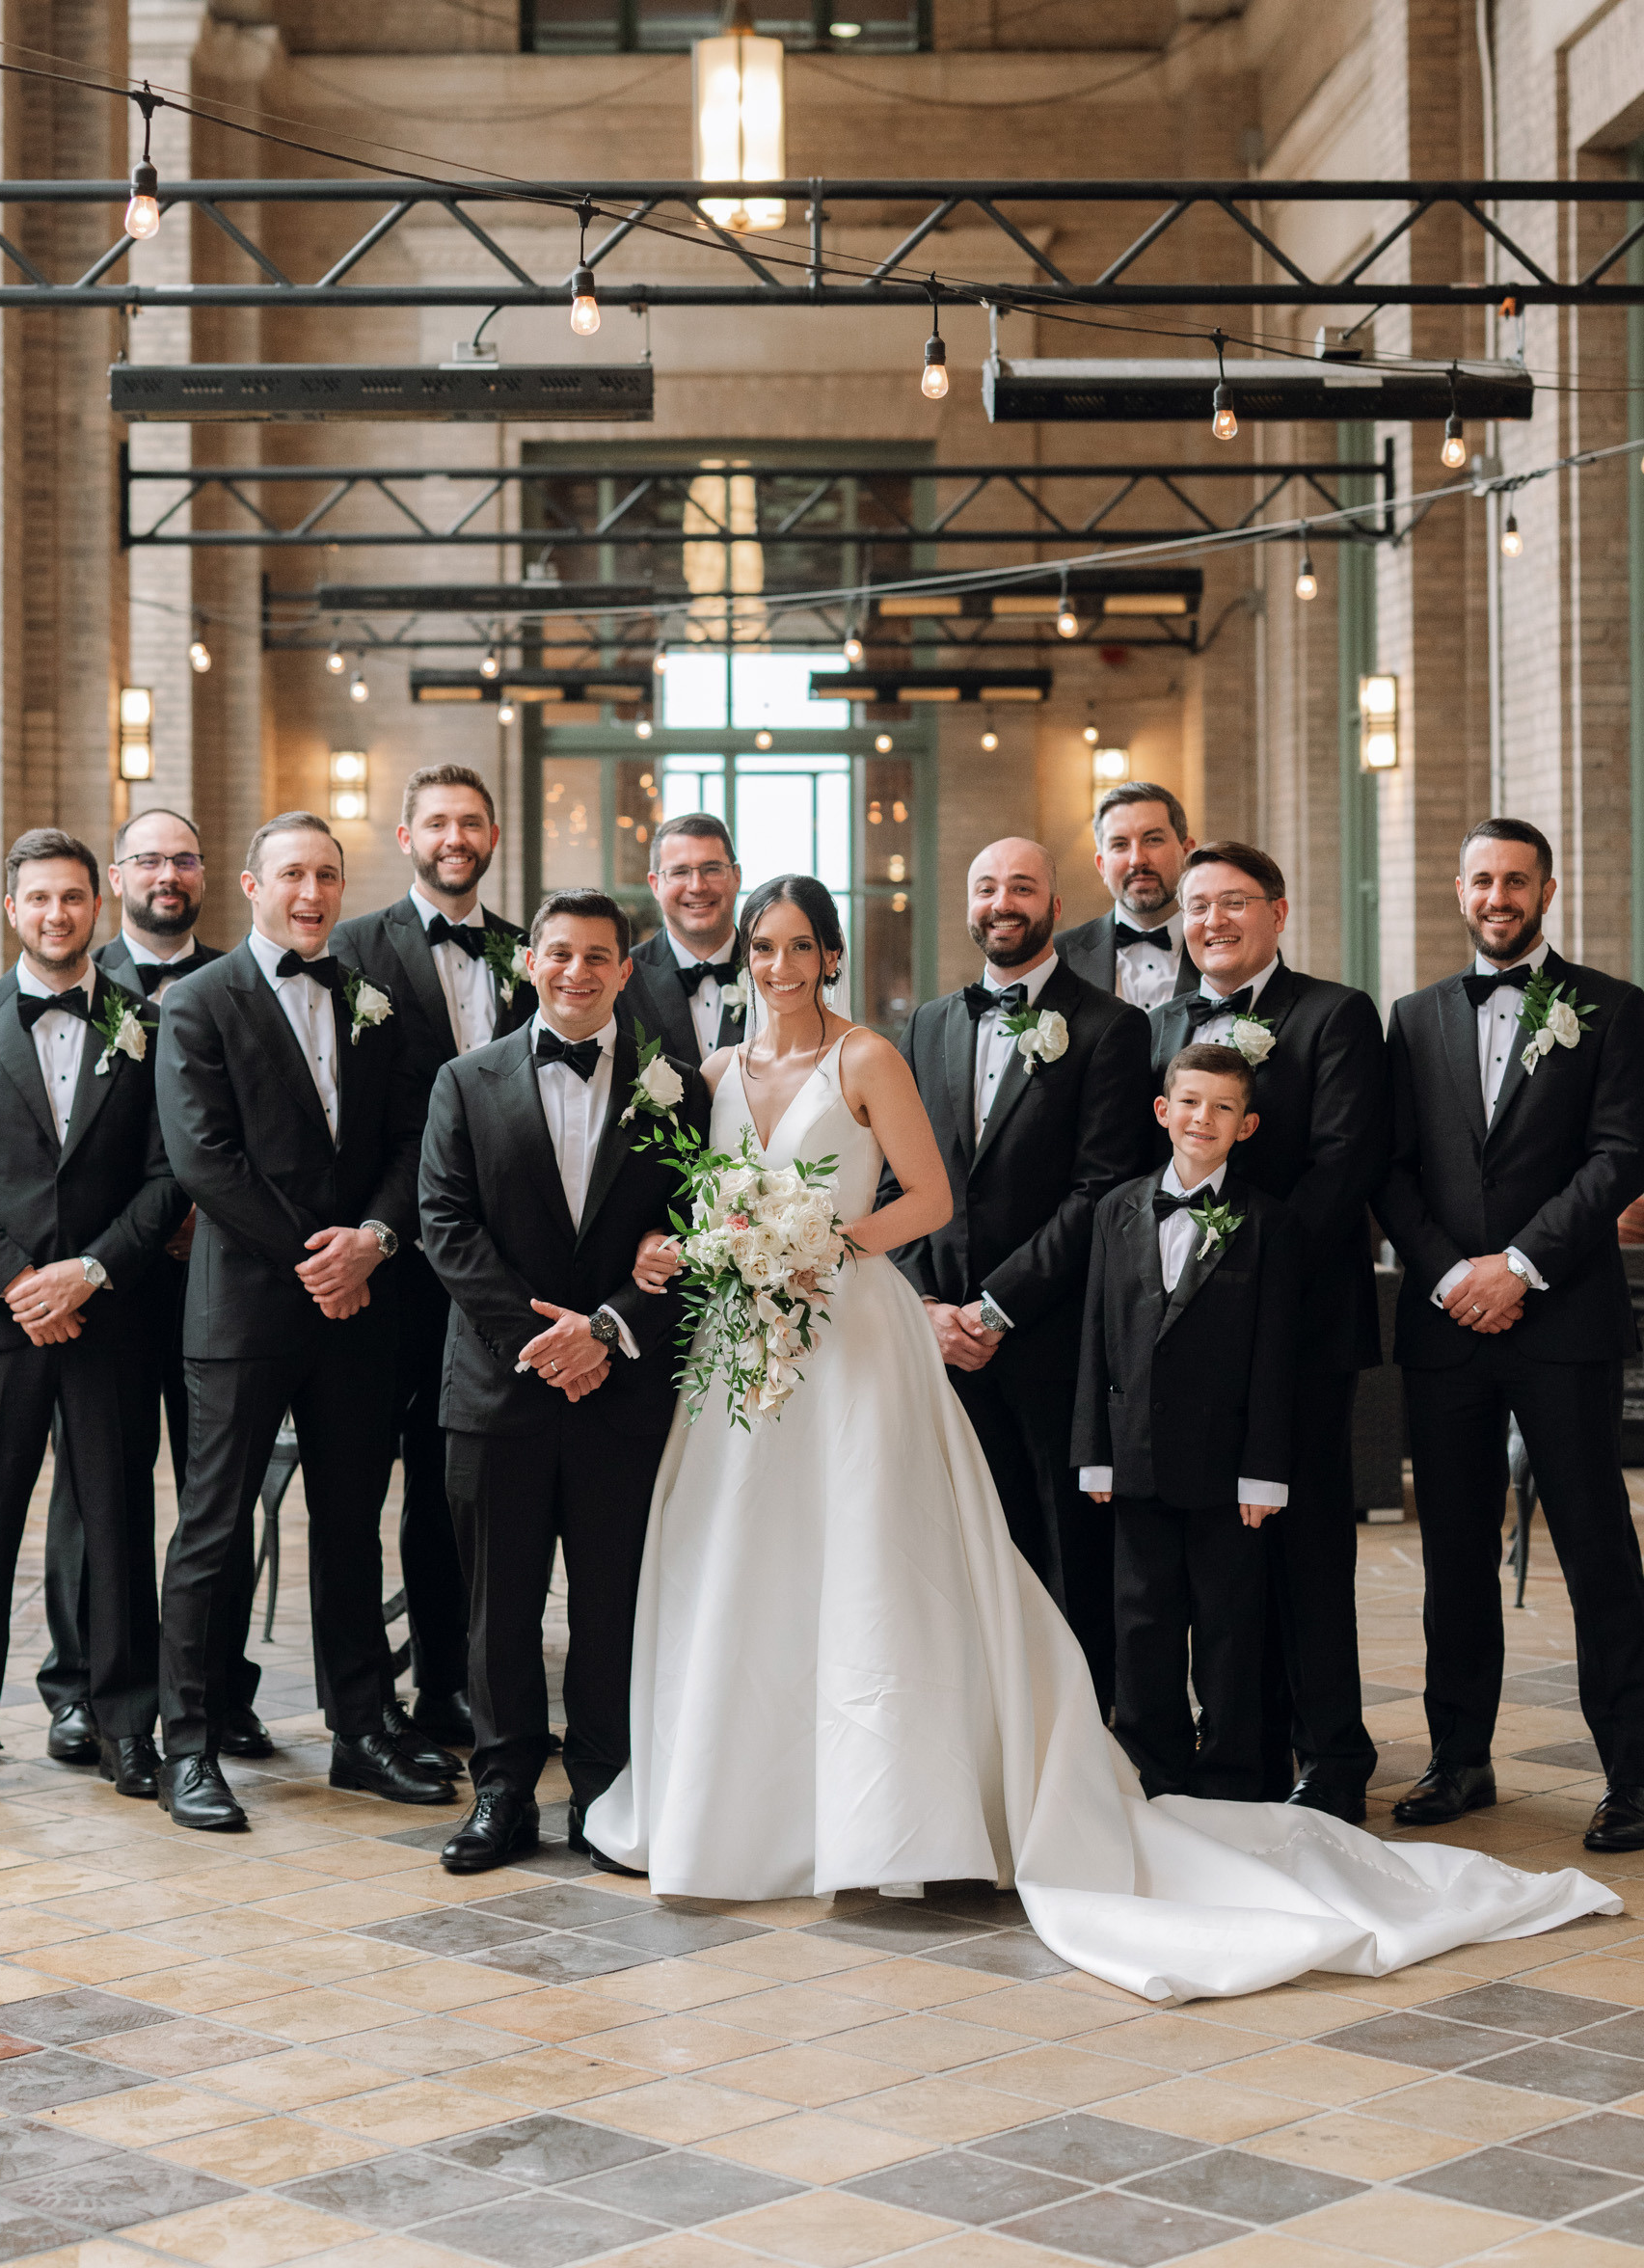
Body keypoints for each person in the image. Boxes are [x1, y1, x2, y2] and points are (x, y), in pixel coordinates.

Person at [588, 871, 1617, 2001]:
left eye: (798, 946)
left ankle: (893, 1807)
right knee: (744, 1555)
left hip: (850, 1329)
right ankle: (739, 1800)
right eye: (761, 948)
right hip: (745, 1343)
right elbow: (693, 1202)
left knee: (873, 1555)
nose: (778, 966)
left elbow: (925, 1198)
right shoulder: (716, 1073)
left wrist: (821, 1247)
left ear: (829, 955)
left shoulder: (868, 1054)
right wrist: (680, 1248)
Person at [418, 888, 708, 1876]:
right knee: (496, 1606)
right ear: (529, 962)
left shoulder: (678, 1089)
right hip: (497, 1387)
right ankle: (501, 1792)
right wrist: (547, 1345)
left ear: (626, 971)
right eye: (559, 953)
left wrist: (608, 1333)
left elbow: (695, 1236)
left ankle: (603, 1789)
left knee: (611, 1601)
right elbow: (446, 1228)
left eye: (597, 957)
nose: (576, 972)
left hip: (622, 1390)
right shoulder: (465, 1081)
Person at [152, 811, 431, 1833]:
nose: (311, 894)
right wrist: (321, 1263)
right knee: (213, 1526)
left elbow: (411, 1137)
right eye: (292, 876)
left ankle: (360, 1732)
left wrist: (373, 1241)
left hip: (359, 1306)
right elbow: (205, 1160)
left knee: (352, 1525)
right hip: (246, 1307)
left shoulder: (371, 997)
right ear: (251, 885)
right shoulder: (199, 1001)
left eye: (327, 876)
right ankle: (188, 1746)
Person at [1379, 818, 1644, 1853]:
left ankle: (1633, 1773)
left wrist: (1520, 1265)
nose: (1498, 896)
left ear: (1546, 891)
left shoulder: (1611, 1008)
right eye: (1482, 880)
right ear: (1458, 891)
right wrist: (1453, 1275)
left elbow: (1619, 1155)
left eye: (1516, 881)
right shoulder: (1412, 1018)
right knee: (1451, 1551)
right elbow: (1391, 1168)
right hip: (1446, 1322)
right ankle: (1459, 1759)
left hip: (1561, 1317)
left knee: (1596, 1548)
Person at [0, 829, 180, 1808]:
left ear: (96, 907)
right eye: (38, 898)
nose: (56, 914)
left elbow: (168, 1176)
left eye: (72, 897)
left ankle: (125, 1730)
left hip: (112, 1315)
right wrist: (22, 1283)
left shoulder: (150, 1026)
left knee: (117, 1523)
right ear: (11, 909)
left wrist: (90, 1273)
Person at [1150, 841, 1387, 1822]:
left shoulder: (1334, 1015)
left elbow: (1343, 1165)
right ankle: (1242, 1749)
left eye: (1233, 902)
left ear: (1277, 913)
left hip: (1300, 1330)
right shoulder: (1160, 1024)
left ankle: (1333, 1755)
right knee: (1222, 1554)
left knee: (1308, 1547)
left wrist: (1245, 1277)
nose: (1211, 921)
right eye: (1196, 905)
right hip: (1191, 1349)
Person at [891, 837, 1151, 1705]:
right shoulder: (928, 1024)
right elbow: (897, 1179)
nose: (1002, 902)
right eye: (986, 887)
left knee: (1064, 1546)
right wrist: (927, 1306)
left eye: (1022, 887)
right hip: (940, 1345)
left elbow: (1100, 1190)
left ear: (1055, 905)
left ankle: (1079, 1725)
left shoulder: (1110, 1027)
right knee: (961, 1543)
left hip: (1050, 1340)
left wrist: (995, 1309)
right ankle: (983, 1716)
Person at [39, 809, 267, 1768]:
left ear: (206, 874)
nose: (166, 875)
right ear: (117, 878)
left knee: (220, 1494)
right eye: (147, 860)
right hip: (110, 1284)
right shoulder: (77, 984)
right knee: (95, 1493)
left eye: (183, 858)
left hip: (222, 1277)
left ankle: (216, 1690)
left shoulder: (242, 983)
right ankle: (82, 1685)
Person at [336, 765, 534, 1757]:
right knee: (369, 1484)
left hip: (501, 1267)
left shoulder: (525, 952)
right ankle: (363, 1700)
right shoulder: (350, 949)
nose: (455, 837)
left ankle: (450, 1682)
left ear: (492, 835)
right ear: (405, 836)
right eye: (438, 823)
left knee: (459, 1482)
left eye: (471, 822)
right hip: (393, 1266)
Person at [1073, 1042, 1299, 1803]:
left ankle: (1232, 1773)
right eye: (1192, 1103)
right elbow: (1096, 1335)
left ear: (1247, 1125)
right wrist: (1095, 1452)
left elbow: (1274, 1357)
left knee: (1230, 1625)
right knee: (1143, 1622)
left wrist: (1264, 1471)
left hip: (1227, 1465)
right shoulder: (1116, 1210)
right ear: (1163, 1111)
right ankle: (1152, 1767)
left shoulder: (1269, 1223)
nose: (1205, 1118)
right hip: (1134, 1456)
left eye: (1224, 1108)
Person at [616, 814, 746, 1063]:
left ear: (737, 876)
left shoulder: (772, 972)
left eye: (712, 869)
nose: (697, 886)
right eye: (679, 872)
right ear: (655, 885)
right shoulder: (620, 979)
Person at [1056, 782, 1196, 1012]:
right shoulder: (1057, 958)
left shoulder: (1226, 949)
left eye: (1153, 840)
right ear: (1102, 866)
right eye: (1120, 845)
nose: (1137, 860)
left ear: (1187, 852)